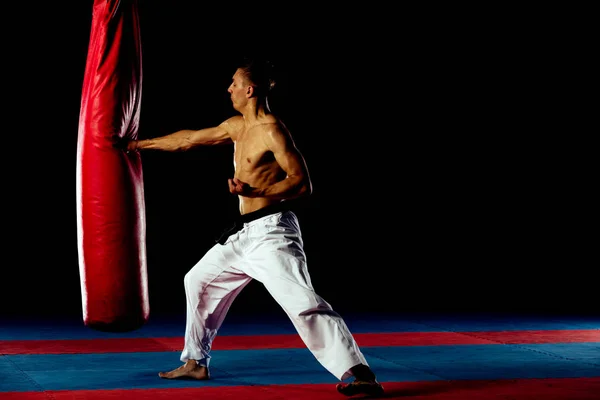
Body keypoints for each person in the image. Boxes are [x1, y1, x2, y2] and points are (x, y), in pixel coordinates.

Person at [121, 57, 384, 397]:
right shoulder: (236, 126)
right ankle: (196, 363)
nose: (228, 88)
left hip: (273, 233)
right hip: (243, 234)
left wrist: (257, 192)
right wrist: (135, 145)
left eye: (234, 83)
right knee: (197, 280)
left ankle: (362, 374)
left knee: (301, 301)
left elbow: (302, 184)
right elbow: (189, 139)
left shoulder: (272, 130)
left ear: (251, 89)